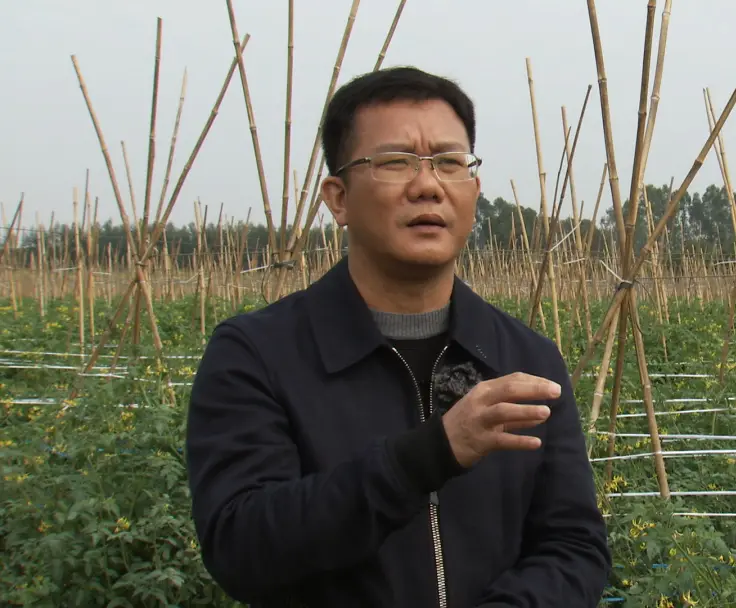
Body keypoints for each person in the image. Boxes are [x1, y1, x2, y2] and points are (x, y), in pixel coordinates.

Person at [185, 66, 611, 607]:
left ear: (474, 192)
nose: (428, 185)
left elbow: (573, 547)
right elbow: (242, 546)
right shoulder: (258, 354)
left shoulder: (524, 359)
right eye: (395, 162)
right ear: (337, 198)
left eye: (450, 163)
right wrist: (425, 457)